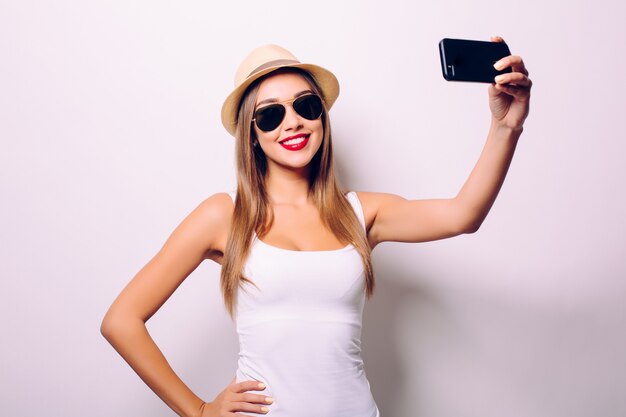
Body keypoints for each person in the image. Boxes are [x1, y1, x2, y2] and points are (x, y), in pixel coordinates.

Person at [101, 38, 532, 417]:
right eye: (270, 115)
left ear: (322, 117)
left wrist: (506, 126)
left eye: (305, 106)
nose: (292, 122)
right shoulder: (224, 217)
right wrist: (197, 411)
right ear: (251, 134)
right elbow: (122, 320)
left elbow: (463, 215)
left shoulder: (361, 213)